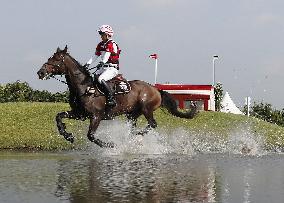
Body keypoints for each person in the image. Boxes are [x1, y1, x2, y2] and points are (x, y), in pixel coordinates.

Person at [84, 24, 120, 107]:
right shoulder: (100, 44)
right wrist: (87, 63)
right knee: (92, 77)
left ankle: (111, 98)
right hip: (104, 68)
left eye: (102, 34)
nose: (101, 36)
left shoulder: (111, 43)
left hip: (112, 68)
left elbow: (107, 54)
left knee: (101, 79)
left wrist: (103, 62)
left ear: (107, 35)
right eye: (100, 34)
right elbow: (95, 55)